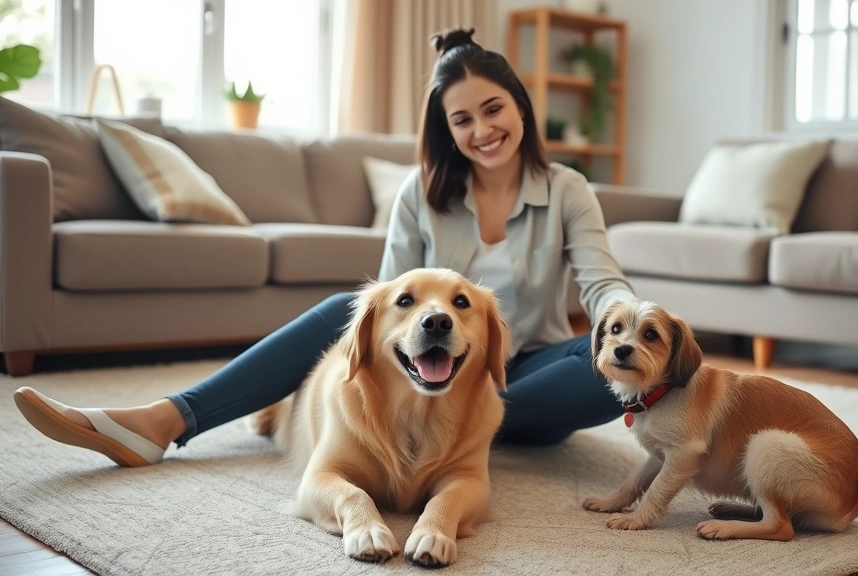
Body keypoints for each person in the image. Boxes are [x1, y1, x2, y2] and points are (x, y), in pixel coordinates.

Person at [13, 27, 638, 466]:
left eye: (493, 109)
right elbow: (395, 311)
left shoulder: (567, 190)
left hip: (514, 377)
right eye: (462, 119)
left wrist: (631, 320)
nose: (483, 130)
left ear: (521, 107)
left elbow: (601, 282)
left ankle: (462, 428)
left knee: (610, 365)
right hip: (428, 374)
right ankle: (164, 420)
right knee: (350, 307)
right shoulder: (420, 195)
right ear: (446, 132)